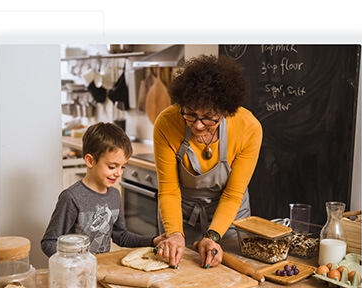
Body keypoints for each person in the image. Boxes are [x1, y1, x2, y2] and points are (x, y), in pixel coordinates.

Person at [153, 55, 263, 269]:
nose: (199, 125)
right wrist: (175, 233)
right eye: (190, 114)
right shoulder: (166, 123)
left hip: (229, 216)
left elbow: (233, 195)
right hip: (181, 212)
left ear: (226, 110)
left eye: (209, 117)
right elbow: (168, 191)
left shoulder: (248, 128)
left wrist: (212, 236)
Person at [41, 122, 165, 257]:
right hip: (76, 272)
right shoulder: (71, 197)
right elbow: (49, 242)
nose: (119, 173)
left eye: (122, 167)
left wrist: (152, 241)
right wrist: (72, 263)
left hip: (100, 269)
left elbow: (121, 236)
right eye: (112, 167)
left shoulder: (114, 195)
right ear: (90, 161)